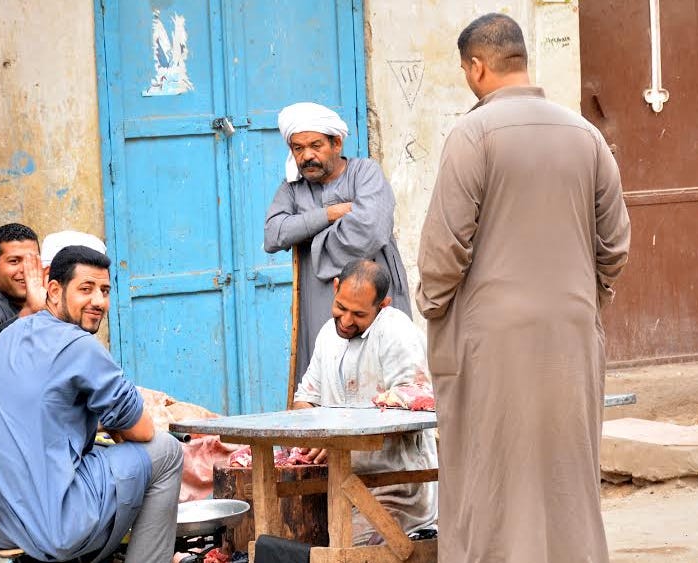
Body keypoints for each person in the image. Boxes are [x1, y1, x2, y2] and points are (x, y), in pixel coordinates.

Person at [416, 14, 630, 563]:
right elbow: (616, 246)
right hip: (573, 335)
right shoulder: (586, 136)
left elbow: (444, 251)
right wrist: (583, 300)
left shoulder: (472, 135)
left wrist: (434, 310)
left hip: (490, 341)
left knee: (491, 475)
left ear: (478, 66)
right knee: (566, 472)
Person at [0, 245, 183, 563]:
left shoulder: (10, 335)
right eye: (86, 289)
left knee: (85, 454)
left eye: (104, 290)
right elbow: (141, 431)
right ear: (53, 291)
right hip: (45, 526)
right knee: (166, 451)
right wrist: (113, 420)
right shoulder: (81, 346)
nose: (98, 301)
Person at [264, 102, 412, 384]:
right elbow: (273, 234)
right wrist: (330, 214)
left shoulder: (365, 173)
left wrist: (312, 239)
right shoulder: (292, 189)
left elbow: (368, 231)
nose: (307, 155)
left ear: (336, 143)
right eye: (298, 148)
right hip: (320, 300)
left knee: (384, 375)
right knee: (326, 378)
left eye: (315, 145)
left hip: (376, 296)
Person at [292, 259, 437, 545]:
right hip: (342, 485)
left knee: (346, 551)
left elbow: (412, 408)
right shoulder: (326, 336)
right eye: (341, 308)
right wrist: (316, 436)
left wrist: (336, 438)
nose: (346, 321)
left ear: (383, 305)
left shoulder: (396, 331)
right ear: (335, 288)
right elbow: (303, 402)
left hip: (397, 492)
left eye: (359, 314)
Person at [0, 222, 44, 354]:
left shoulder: (43, 301)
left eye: (31, 261)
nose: (25, 269)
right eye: (14, 261)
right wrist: (30, 311)